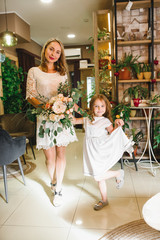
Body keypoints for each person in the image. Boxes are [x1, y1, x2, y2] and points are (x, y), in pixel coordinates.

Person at [26, 38, 78, 207]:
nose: (54, 54)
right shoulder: (33, 71)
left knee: (61, 153)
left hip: (60, 118)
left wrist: (64, 107)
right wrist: (46, 107)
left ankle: (58, 189)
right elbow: (30, 95)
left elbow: (66, 95)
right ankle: (54, 180)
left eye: (58, 52)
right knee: (50, 157)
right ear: (44, 50)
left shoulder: (62, 74)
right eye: (51, 49)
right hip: (44, 117)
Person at [72, 94, 134, 211]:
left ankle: (118, 173)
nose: (99, 109)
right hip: (91, 152)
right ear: (91, 107)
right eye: (96, 106)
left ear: (106, 108)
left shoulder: (105, 121)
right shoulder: (87, 119)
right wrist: (65, 107)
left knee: (97, 176)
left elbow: (113, 133)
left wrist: (117, 125)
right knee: (100, 177)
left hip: (100, 150)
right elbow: (74, 120)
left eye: (102, 106)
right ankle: (104, 200)